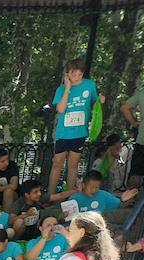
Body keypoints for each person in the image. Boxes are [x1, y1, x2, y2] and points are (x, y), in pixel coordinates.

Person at [47, 59, 101, 196]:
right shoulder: (61, 89)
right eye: (73, 74)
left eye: (80, 74)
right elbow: (60, 109)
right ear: (67, 74)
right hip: (63, 133)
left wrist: (101, 100)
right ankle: (50, 196)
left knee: (73, 165)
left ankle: (70, 197)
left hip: (80, 132)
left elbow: (94, 102)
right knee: (57, 163)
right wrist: (67, 89)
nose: (77, 77)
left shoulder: (90, 85)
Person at [52, 170, 139, 213]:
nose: (94, 190)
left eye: (96, 187)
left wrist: (124, 200)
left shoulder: (104, 195)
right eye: (91, 187)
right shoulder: (74, 198)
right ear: (83, 185)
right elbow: (66, 218)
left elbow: (119, 205)